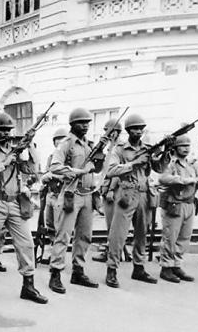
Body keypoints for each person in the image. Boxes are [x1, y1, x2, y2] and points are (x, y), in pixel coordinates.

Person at [0, 113, 47, 304]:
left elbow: (31, 169)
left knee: (26, 244)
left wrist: (29, 145)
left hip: (16, 202)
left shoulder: (17, 149)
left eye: (8, 130)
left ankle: (28, 285)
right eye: (1, 130)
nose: (5, 133)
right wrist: (3, 164)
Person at [105, 114, 163, 287]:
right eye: (134, 128)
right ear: (128, 130)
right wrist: (135, 163)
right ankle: (112, 270)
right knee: (118, 234)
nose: (138, 131)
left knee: (142, 233)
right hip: (126, 193)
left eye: (140, 128)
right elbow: (111, 170)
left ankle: (139, 268)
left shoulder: (148, 148)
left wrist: (166, 152)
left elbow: (160, 168)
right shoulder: (120, 149)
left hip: (144, 193)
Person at [48, 108, 100, 293]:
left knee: (85, 236)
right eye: (81, 122)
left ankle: (78, 271)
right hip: (71, 194)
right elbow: (55, 167)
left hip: (87, 194)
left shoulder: (88, 145)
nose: (85, 125)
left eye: (87, 122)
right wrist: (78, 172)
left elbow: (97, 168)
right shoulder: (66, 143)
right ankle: (55, 274)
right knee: (63, 236)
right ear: (72, 124)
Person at [157, 135, 198, 283]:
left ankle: (176, 265)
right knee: (170, 238)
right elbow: (163, 178)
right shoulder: (170, 163)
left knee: (184, 238)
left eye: (188, 146)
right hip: (174, 204)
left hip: (189, 204)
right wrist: (184, 180)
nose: (186, 148)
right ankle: (166, 268)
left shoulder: (192, 164)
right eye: (182, 146)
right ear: (175, 148)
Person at [93, 119, 124, 263]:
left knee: (113, 225)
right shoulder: (111, 147)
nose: (108, 134)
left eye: (110, 131)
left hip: (115, 190)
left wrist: (111, 189)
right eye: (106, 131)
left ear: (117, 133)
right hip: (107, 189)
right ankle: (122, 251)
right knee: (111, 224)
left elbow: (118, 172)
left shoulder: (119, 148)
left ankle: (111, 252)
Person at [38, 128, 69, 266]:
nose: (60, 142)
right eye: (58, 139)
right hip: (51, 193)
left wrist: (54, 175)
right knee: (50, 226)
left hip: (62, 195)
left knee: (59, 228)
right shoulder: (52, 157)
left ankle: (57, 258)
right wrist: (45, 177)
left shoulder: (68, 157)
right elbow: (45, 173)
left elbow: (70, 175)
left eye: (63, 139)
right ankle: (52, 253)